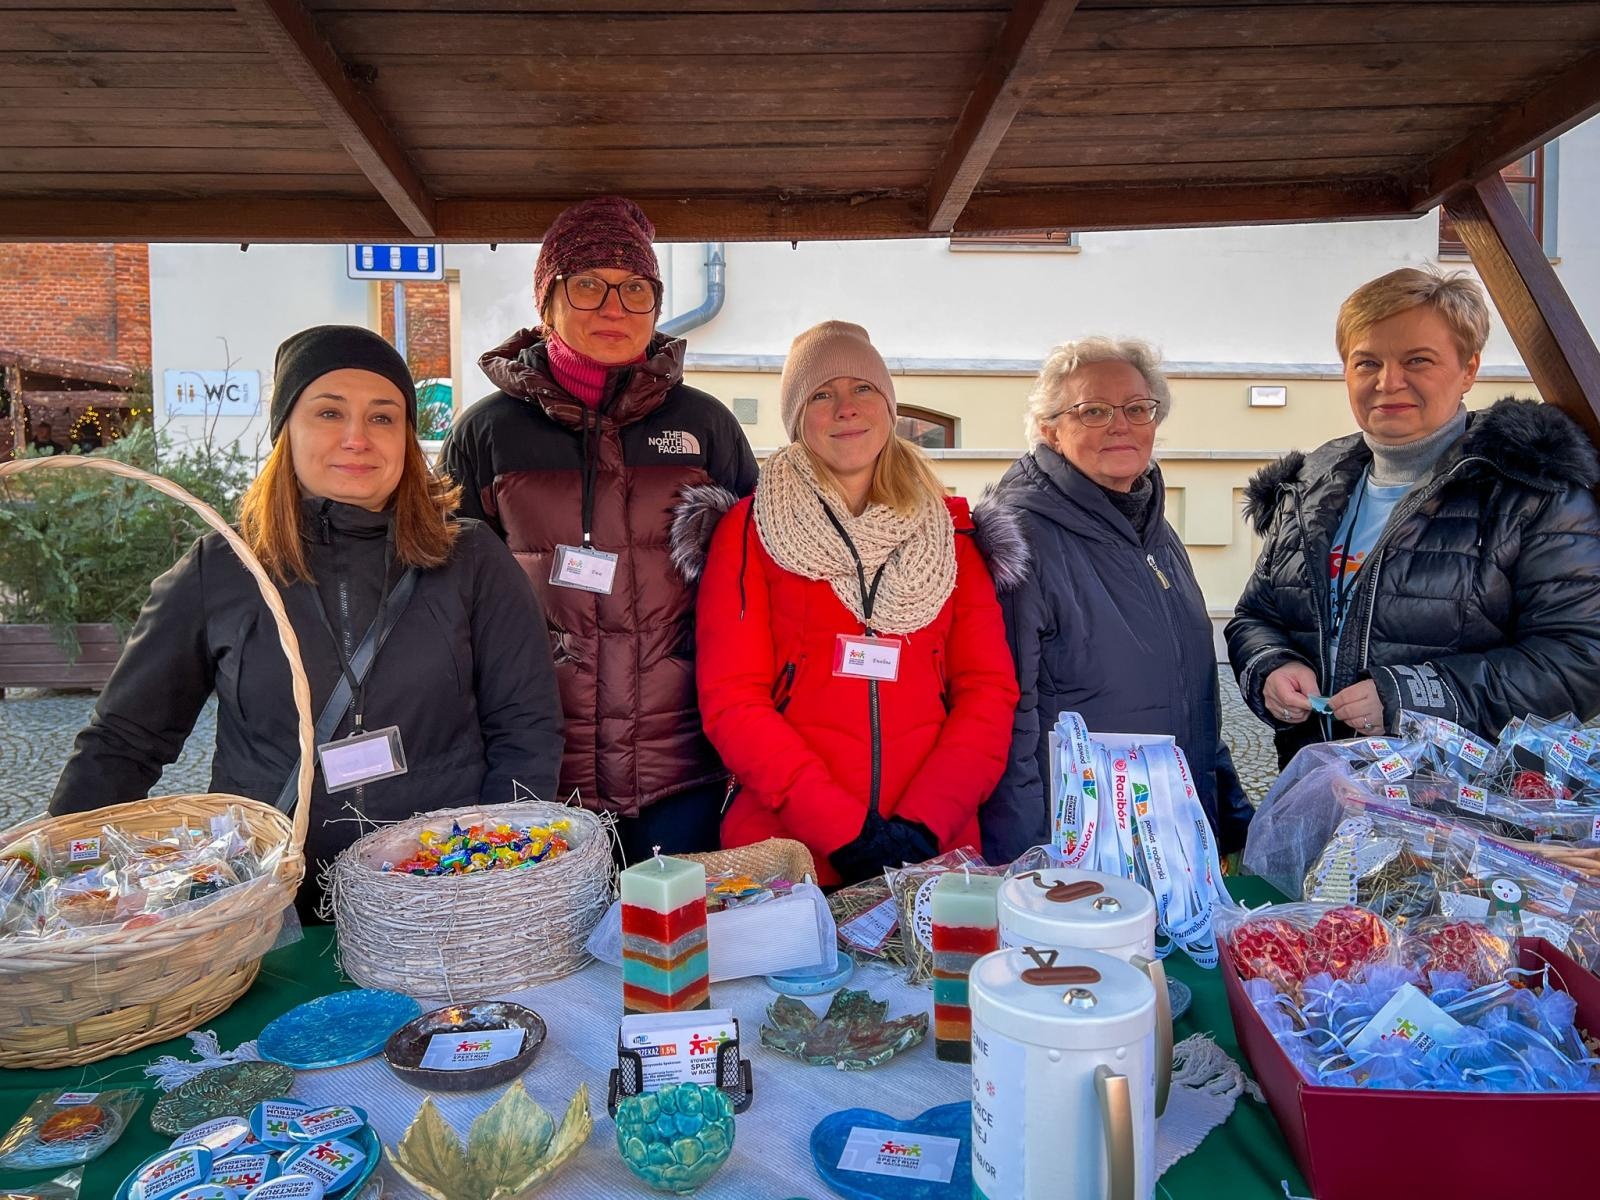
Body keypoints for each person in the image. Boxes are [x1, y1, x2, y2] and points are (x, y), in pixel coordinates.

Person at [51, 325, 564, 914]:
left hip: (438, 893)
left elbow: (526, 730)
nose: (356, 438)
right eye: (328, 412)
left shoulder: (471, 559)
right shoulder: (222, 567)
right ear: (285, 431)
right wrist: (63, 874)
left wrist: (495, 872)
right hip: (269, 902)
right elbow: (125, 740)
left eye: (382, 417)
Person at [440, 196, 757, 862]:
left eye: (635, 288)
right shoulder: (488, 432)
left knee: (674, 952)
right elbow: (451, 603)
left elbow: (750, 586)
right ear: (547, 302)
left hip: (683, 770)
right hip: (543, 769)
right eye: (588, 285)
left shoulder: (705, 425)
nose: (614, 307)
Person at [685, 321, 1021, 886]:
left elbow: (988, 693)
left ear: (889, 407)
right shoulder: (749, 530)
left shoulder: (953, 532)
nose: (846, 408)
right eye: (822, 394)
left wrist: (923, 826)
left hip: (932, 852)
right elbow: (732, 700)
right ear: (797, 419)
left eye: (862, 388)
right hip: (788, 852)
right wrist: (841, 830)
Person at [1228, 266, 1600, 766]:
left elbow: (1582, 657)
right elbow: (1256, 616)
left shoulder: (1529, 492)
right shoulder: (1310, 485)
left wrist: (1415, 695)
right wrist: (1271, 666)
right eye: (1366, 363)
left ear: (1469, 369)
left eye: (1417, 360)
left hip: (1464, 819)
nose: (1388, 382)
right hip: (1325, 796)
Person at [981, 337, 1252, 864]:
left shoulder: (1153, 528)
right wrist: (1027, 864)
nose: (1120, 424)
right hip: (1085, 850)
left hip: (1170, 841)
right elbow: (1007, 720)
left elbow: (1190, 691)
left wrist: (1228, 817)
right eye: (1094, 411)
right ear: (1049, 430)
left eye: (1137, 408)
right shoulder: (1018, 535)